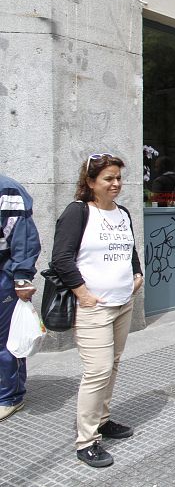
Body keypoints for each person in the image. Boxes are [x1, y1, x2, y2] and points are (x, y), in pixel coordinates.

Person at [51, 153, 144, 468]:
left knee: (113, 366)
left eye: (118, 177)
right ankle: (86, 441)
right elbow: (61, 258)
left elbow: (129, 247)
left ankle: (103, 420)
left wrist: (137, 273)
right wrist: (83, 294)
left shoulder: (123, 213)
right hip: (94, 308)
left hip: (122, 303)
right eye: (108, 178)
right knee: (98, 371)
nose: (116, 184)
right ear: (90, 182)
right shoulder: (78, 213)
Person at [0, 174, 42, 422]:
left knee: (4, 341)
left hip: (2, 274)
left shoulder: (7, 189)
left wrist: (21, 278)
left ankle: (10, 397)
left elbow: (23, 237)